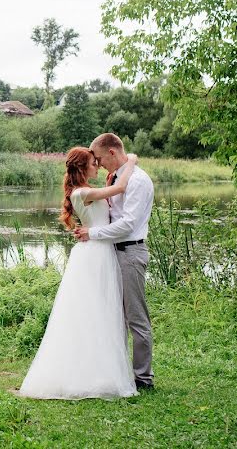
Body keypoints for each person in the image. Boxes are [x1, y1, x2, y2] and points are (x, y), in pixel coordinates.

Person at [18, 146, 138, 400]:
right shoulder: (83, 193)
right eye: (94, 163)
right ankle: (84, 374)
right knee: (91, 311)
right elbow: (120, 189)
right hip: (95, 255)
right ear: (83, 168)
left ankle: (98, 370)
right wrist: (132, 162)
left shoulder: (85, 191)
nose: (98, 166)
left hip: (99, 251)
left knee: (102, 312)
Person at [75, 133, 155, 391]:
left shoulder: (138, 181)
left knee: (136, 318)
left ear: (111, 152)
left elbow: (129, 223)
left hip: (130, 253)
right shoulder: (116, 178)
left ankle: (143, 379)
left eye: (98, 158)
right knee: (113, 316)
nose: (97, 165)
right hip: (111, 254)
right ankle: (118, 372)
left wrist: (93, 233)